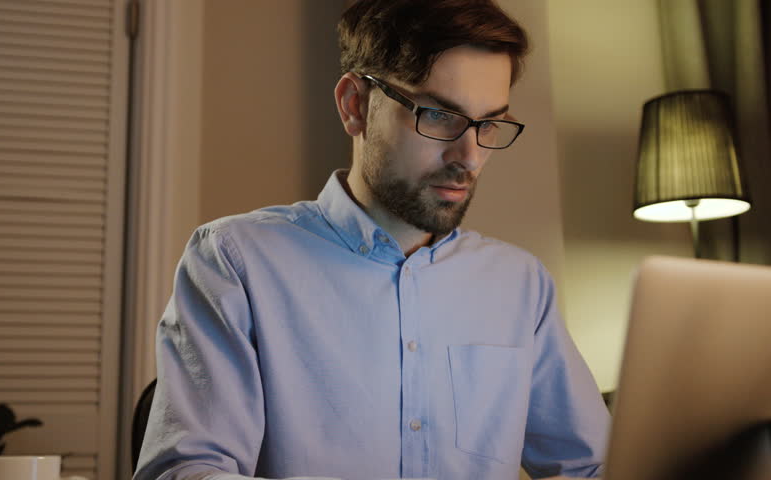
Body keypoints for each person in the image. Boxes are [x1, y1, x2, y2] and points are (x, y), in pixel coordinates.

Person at [134, 1, 610, 479]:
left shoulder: (520, 285)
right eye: (440, 116)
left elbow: (594, 466)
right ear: (355, 105)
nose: (470, 157)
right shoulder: (236, 262)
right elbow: (185, 473)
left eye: (488, 124)